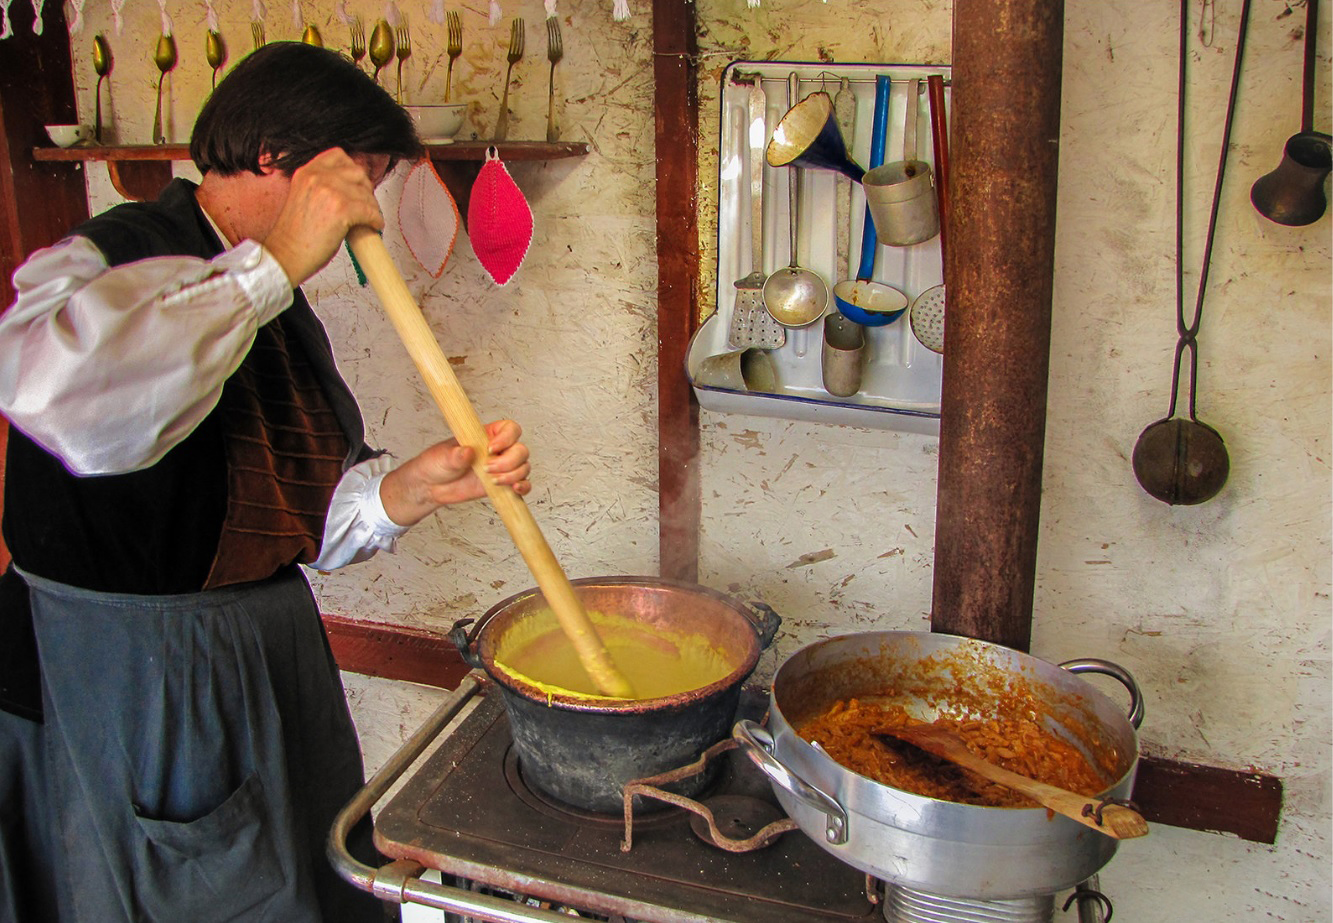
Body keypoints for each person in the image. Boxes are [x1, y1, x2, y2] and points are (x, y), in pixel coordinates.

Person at [0, 42, 531, 922]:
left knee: (303, 878)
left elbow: (292, 519)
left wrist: (411, 488)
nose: (359, 219)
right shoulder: (111, 255)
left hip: (265, 652)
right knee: (195, 887)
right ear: (274, 158)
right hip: (137, 678)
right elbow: (58, 396)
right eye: (352, 185)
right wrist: (274, 264)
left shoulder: (269, 295)